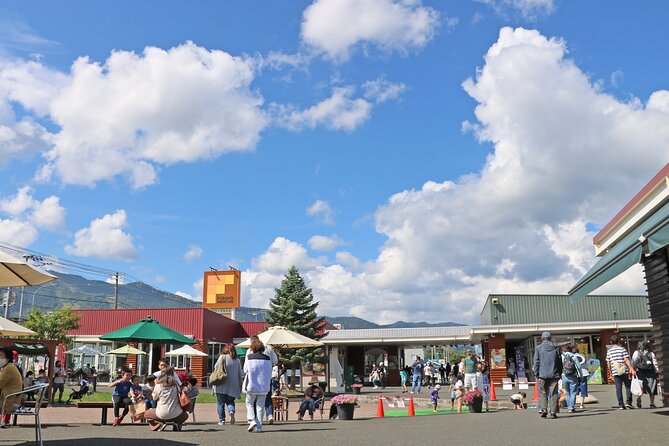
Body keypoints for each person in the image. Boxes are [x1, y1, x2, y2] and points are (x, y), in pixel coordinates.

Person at [245, 337, 278, 425]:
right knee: (262, 403)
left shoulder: (249, 355)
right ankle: (268, 417)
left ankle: (252, 420)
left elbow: (245, 369)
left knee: (250, 402)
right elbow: (275, 361)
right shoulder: (268, 352)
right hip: (265, 382)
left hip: (252, 382)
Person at [145, 366, 189, 431]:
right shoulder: (176, 385)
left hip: (161, 414)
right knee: (185, 415)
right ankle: (177, 424)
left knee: (147, 414)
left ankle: (159, 425)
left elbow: (154, 398)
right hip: (176, 414)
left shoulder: (159, 385)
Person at [212, 343, 244, 426]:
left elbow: (216, 367)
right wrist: (240, 385)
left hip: (221, 383)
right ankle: (231, 411)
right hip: (233, 385)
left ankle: (222, 420)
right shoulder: (237, 360)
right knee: (230, 401)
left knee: (220, 403)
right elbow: (240, 374)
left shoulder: (222, 357)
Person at [533, 331, 562, 419]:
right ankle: (553, 412)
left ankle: (544, 409)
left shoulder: (538, 348)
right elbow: (559, 362)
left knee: (543, 392)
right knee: (554, 393)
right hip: (554, 373)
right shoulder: (556, 347)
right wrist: (559, 373)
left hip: (542, 374)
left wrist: (536, 373)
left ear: (542, 338)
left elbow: (536, 362)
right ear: (550, 338)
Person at [605, 335, 636, 410]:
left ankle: (621, 404)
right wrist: (631, 368)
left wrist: (610, 372)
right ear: (618, 341)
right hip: (624, 370)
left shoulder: (609, 351)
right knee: (628, 386)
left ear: (611, 342)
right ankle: (628, 402)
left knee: (618, 388)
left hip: (615, 371)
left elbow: (608, 363)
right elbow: (626, 360)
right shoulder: (622, 349)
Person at [0, 347, 23, 428]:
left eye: (1, 356)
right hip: (9, 400)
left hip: (8, 402)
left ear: (8, 358)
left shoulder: (9, 368)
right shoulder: (9, 367)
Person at [632, 341, 658, 408]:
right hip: (650, 372)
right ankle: (652, 403)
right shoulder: (651, 353)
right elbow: (654, 363)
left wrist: (633, 370)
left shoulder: (636, 352)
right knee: (652, 387)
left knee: (640, 386)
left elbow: (633, 362)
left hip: (639, 372)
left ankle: (639, 397)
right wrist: (657, 371)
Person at [561, 344, 581, 413]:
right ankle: (571, 407)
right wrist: (580, 375)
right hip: (573, 376)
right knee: (573, 392)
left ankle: (569, 406)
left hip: (564, 375)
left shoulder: (562, 357)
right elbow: (579, 366)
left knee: (567, 392)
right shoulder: (574, 356)